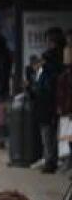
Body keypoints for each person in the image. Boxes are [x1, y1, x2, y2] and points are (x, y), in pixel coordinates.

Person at [31, 29, 64, 172]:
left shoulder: (50, 62)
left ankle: (50, 160)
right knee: (50, 132)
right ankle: (51, 159)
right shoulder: (52, 61)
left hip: (48, 101)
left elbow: (43, 83)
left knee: (48, 132)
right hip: (48, 100)